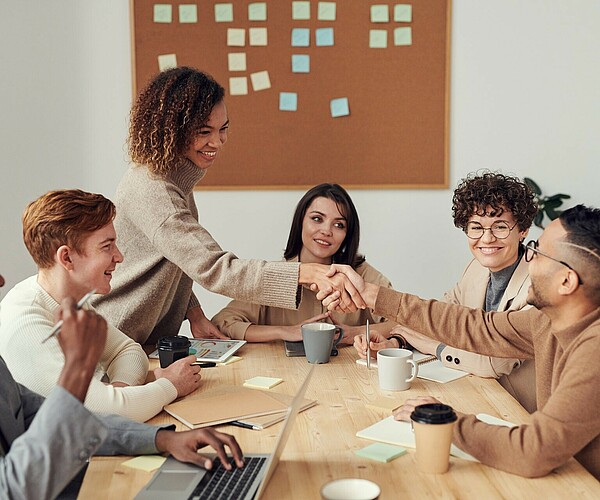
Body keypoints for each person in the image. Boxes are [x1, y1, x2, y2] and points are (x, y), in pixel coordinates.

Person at [92, 67, 363, 347]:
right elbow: (215, 267)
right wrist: (303, 273)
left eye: (223, 129)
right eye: (204, 131)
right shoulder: (155, 190)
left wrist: (194, 312)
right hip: (116, 338)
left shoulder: (172, 180)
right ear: (172, 130)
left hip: (140, 341)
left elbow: (176, 259)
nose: (217, 142)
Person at [324, 205, 600, 479]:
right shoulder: (547, 322)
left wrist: (445, 420)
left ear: (566, 281)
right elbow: (476, 326)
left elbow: (533, 452)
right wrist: (373, 295)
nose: (528, 259)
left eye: (537, 252)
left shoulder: (594, 350)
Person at [0, 293, 243, 499]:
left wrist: (161, 439)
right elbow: (15, 490)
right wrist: (78, 367)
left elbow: (48, 417)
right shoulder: (26, 320)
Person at [0, 190, 201, 422]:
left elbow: (127, 351)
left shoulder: (68, 300)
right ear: (66, 258)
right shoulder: (26, 326)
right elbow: (100, 415)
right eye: (107, 246)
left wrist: (119, 392)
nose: (119, 257)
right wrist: (169, 385)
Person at [354, 172, 538, 412]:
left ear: (522, 229)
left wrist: (436, 348)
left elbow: (492, 363)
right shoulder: (475, 269)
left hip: (520, 411)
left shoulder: (537, 283)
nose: (487, 238)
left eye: (500, 227)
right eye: (476, 227)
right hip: (477, 395)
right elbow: (438, 320)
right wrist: (396, 342)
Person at [212, 183, 395, 344]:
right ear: (300, 222)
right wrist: (285, 331)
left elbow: (406, 323)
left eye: (338, 225)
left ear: (347, 234)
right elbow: (223, 322)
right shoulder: (275, 276)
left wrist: (356, 332)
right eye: (317, 219)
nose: (326, 231)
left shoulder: (362, 276)